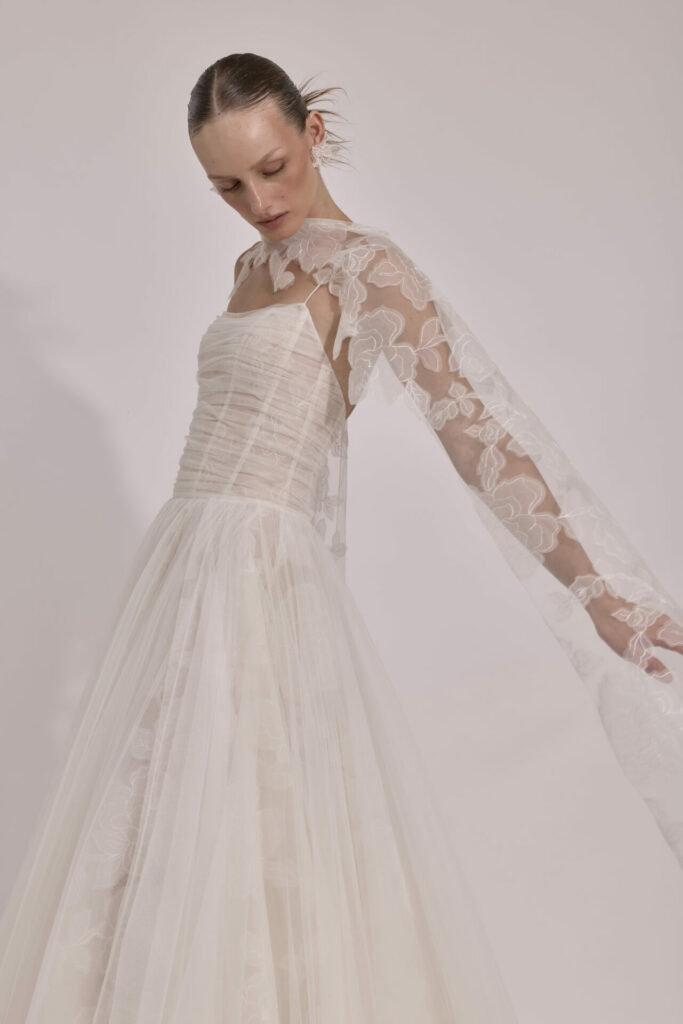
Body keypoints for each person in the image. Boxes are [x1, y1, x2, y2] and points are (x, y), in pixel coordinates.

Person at [0, 50, 682, 1024]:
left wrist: (597, 595)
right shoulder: (250, 266)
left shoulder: (369, 267)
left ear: (310, 132)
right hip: (183, 570)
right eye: (227, 185)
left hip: (258, 578)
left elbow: (474, 434)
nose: (256, 200)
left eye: (271, 167)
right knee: (159, 828)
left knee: (253, 831)